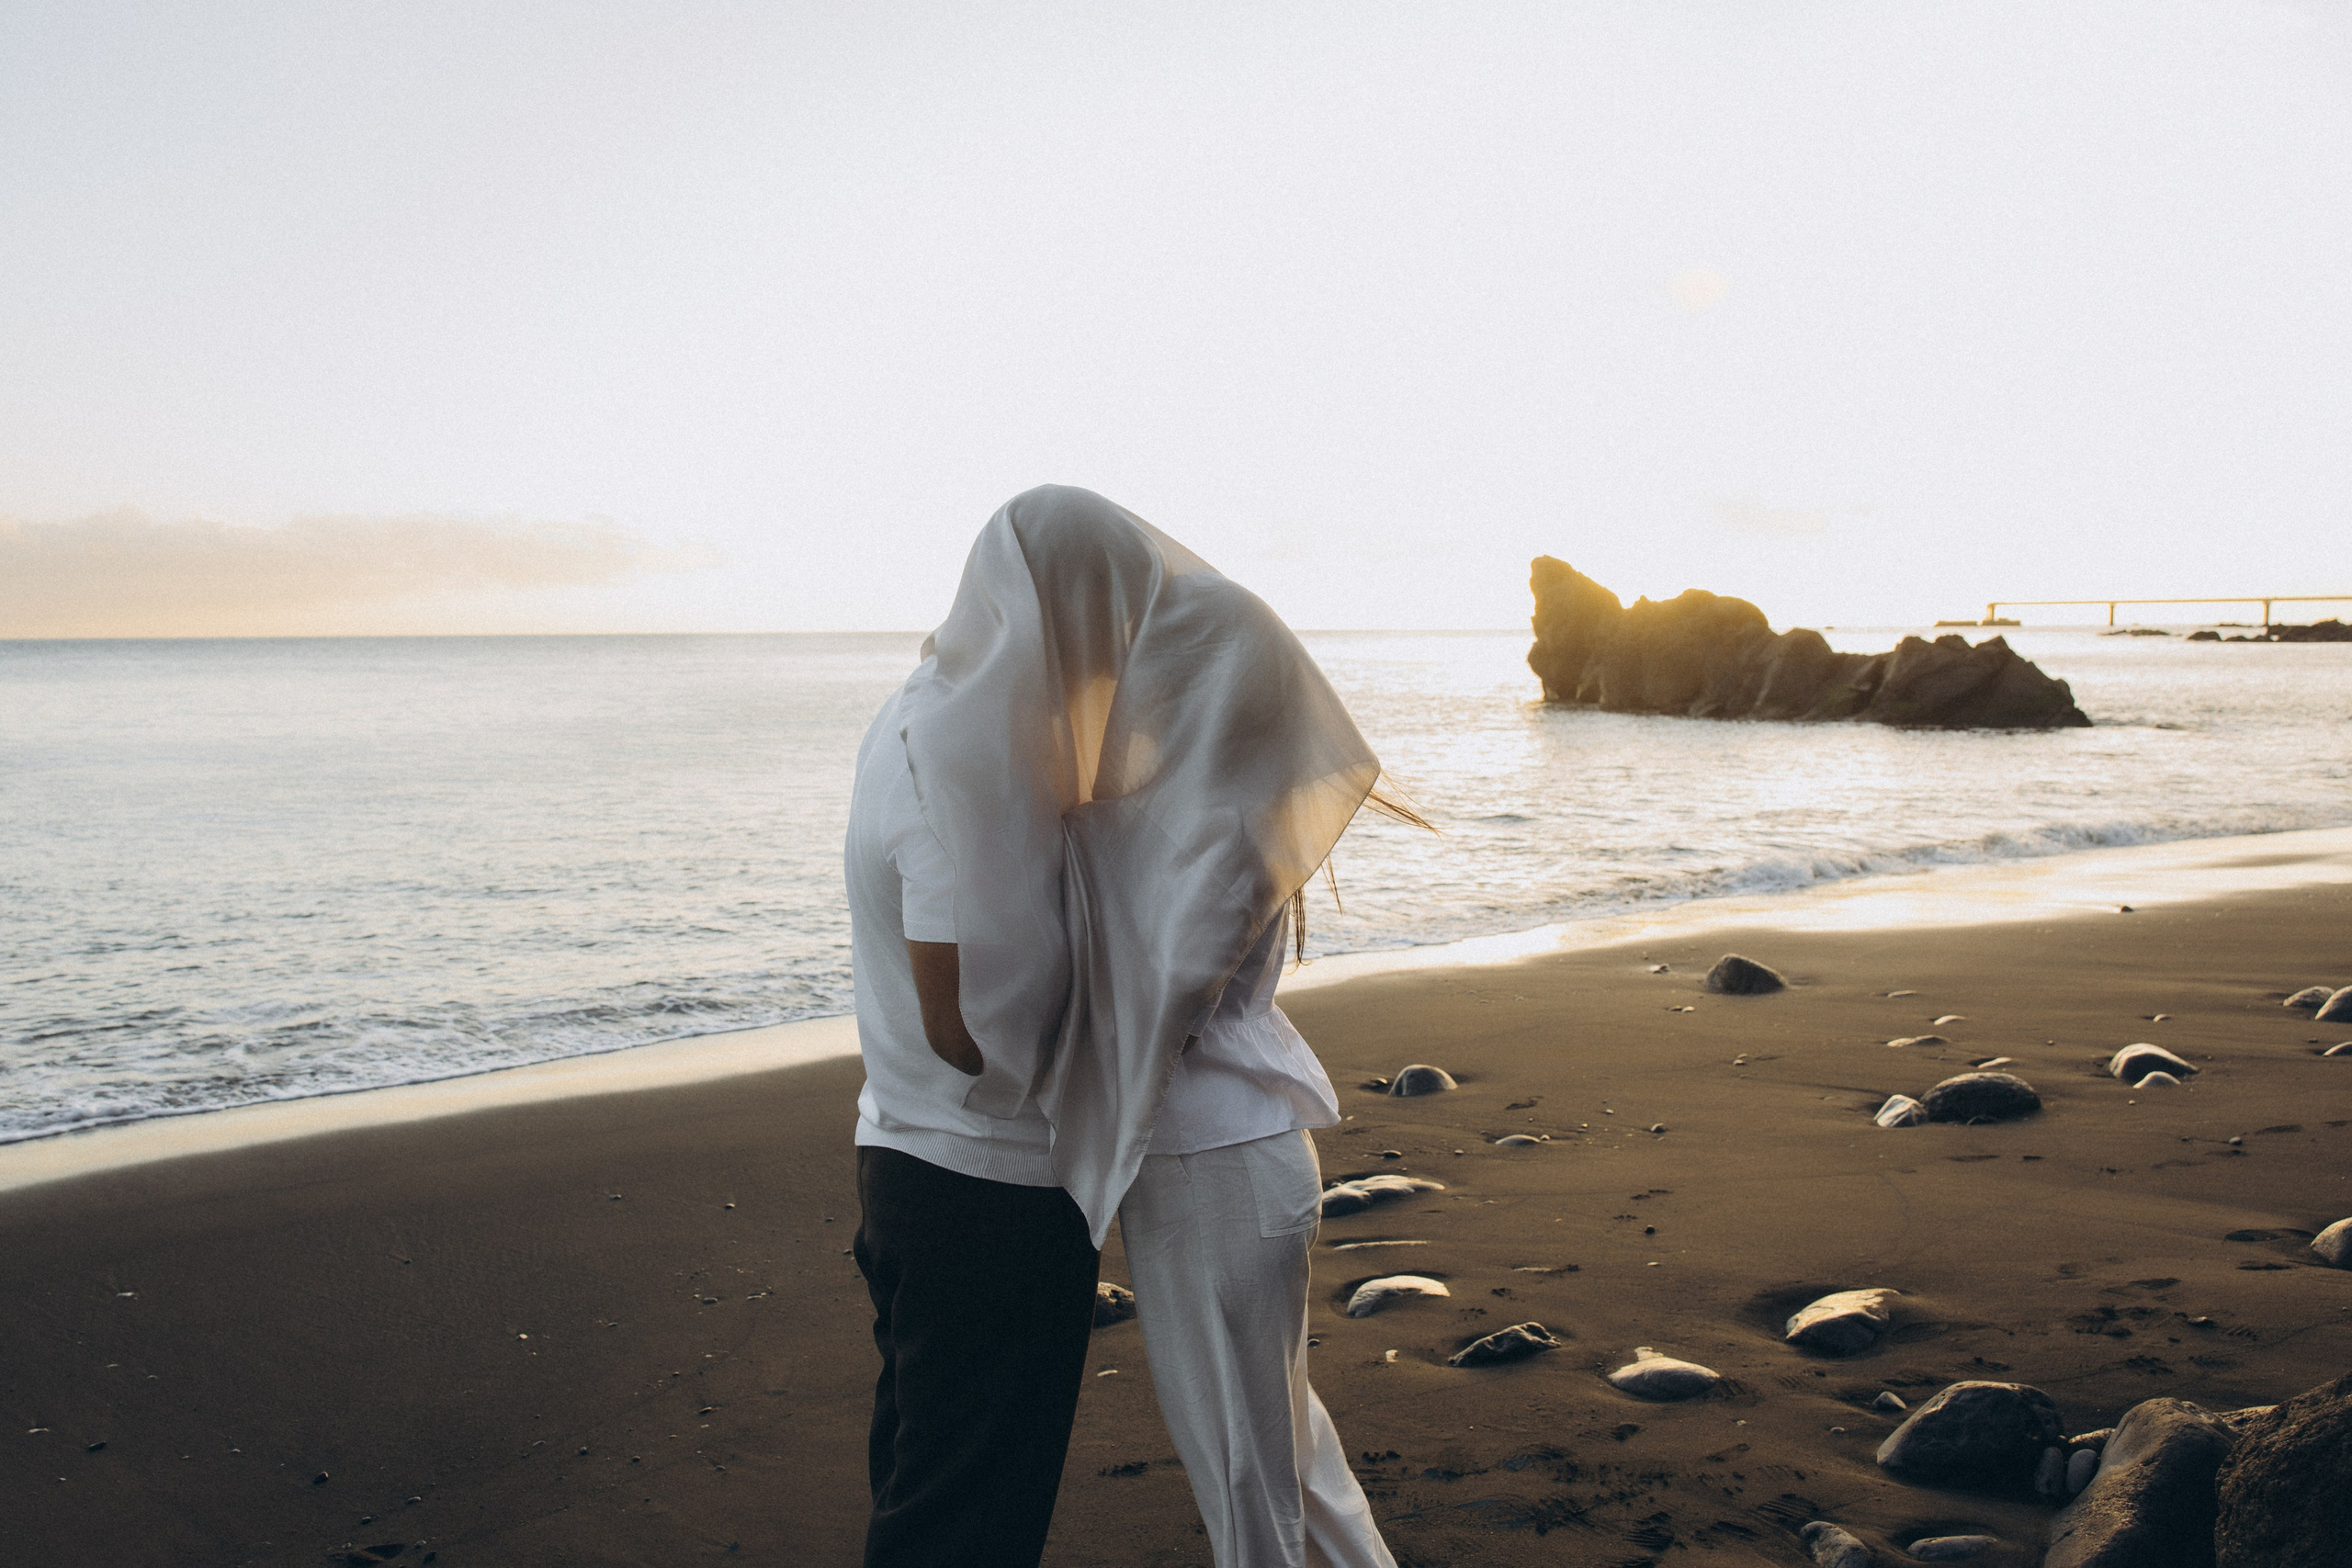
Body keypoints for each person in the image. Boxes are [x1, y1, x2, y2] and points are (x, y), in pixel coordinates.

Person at [849, 484, 1418, 1568]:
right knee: (1267, 1463)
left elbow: (1067, 1016)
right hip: (1068, 1179)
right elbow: (987, 1018)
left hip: (1200, 1166)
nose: (1127, 668)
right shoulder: (1124, 805)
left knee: (1249, 1480)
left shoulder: (1183, 834)